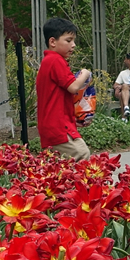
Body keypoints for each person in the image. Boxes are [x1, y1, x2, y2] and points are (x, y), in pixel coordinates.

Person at [36, 17, 93, 160]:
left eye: (73, 41)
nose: (73, 45)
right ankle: (78, 183)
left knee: (59, 165)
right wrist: (85, 74)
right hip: (58, 127)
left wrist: (73, 120)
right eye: (68, 40)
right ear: (53, 41)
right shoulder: (55, 60)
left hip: (55, 125)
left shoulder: (49, 61)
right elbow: (73, 87)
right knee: (81, 154)